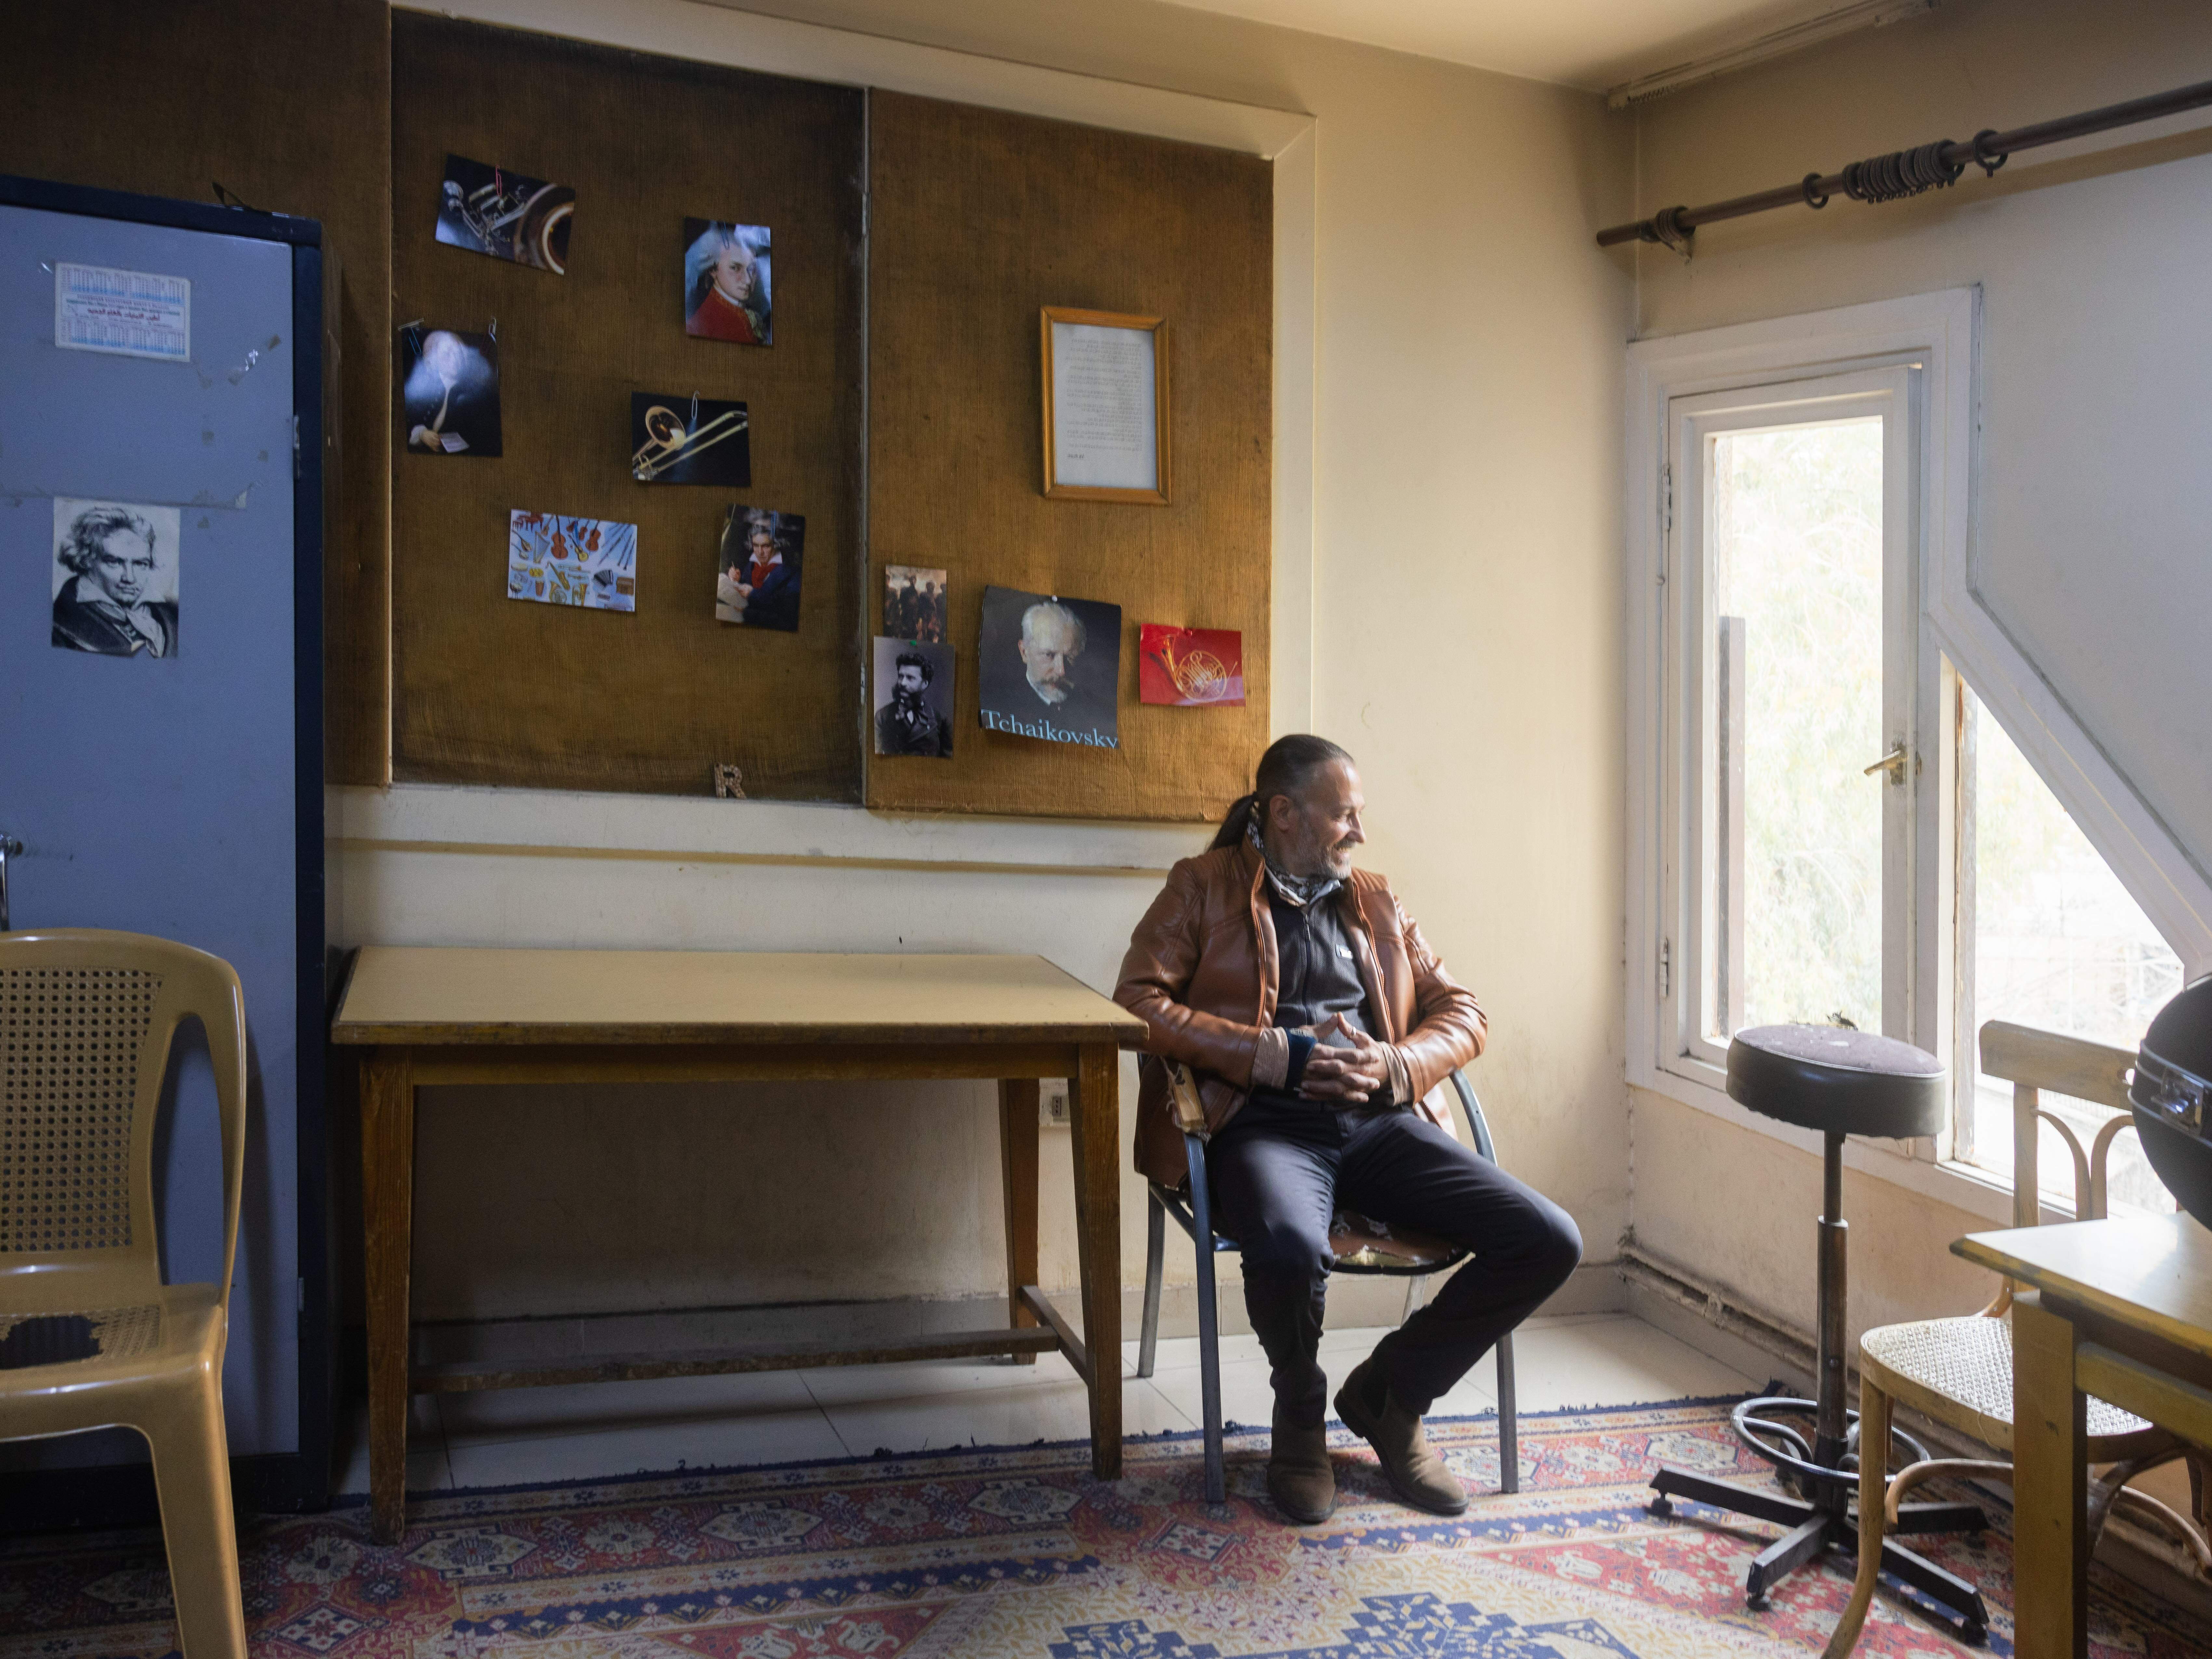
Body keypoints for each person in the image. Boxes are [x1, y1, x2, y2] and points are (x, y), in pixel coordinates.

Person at [1114, 735, 1581, 1525]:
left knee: (1546, 1237)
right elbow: (1136, 1001)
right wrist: (1264, 1055)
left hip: (1377, 1127)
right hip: (1259, 1130)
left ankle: (1390, 1395)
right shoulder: (1201, 887)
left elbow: (1461, 1009)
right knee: (1291, 1248)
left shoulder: (1374, 899)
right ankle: (1298, 1411)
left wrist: (1394, 1064)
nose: (1359, 831)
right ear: (1284, 813)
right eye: (1344, 814)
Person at [53, 505, 177, 657]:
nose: (130, 578)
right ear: (86, 561)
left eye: (140, 564)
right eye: (114, 562)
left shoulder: (172, 616)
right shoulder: (58, 625)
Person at [686, 225, 771, 345]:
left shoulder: (749, 315)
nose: (748, 280)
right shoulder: (704, 323)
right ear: (713, 270)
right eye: (735, 268)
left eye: (752, 269)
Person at [723, 512, 801, 631]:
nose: (760, 552)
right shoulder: (751, 564)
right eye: (756, 545)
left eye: (766, 546)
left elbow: (788, 615)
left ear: (776, 544)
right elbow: (747, 586)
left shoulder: (792, 573)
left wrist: (752, 598)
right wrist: (739, 580)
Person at [875, 650, 953, 756]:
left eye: (910, 678)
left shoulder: (940, 718)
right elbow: (877, 756)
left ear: (924, 684)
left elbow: (947, 760)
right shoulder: (882, 716)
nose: (903, 683)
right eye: (901, 676)